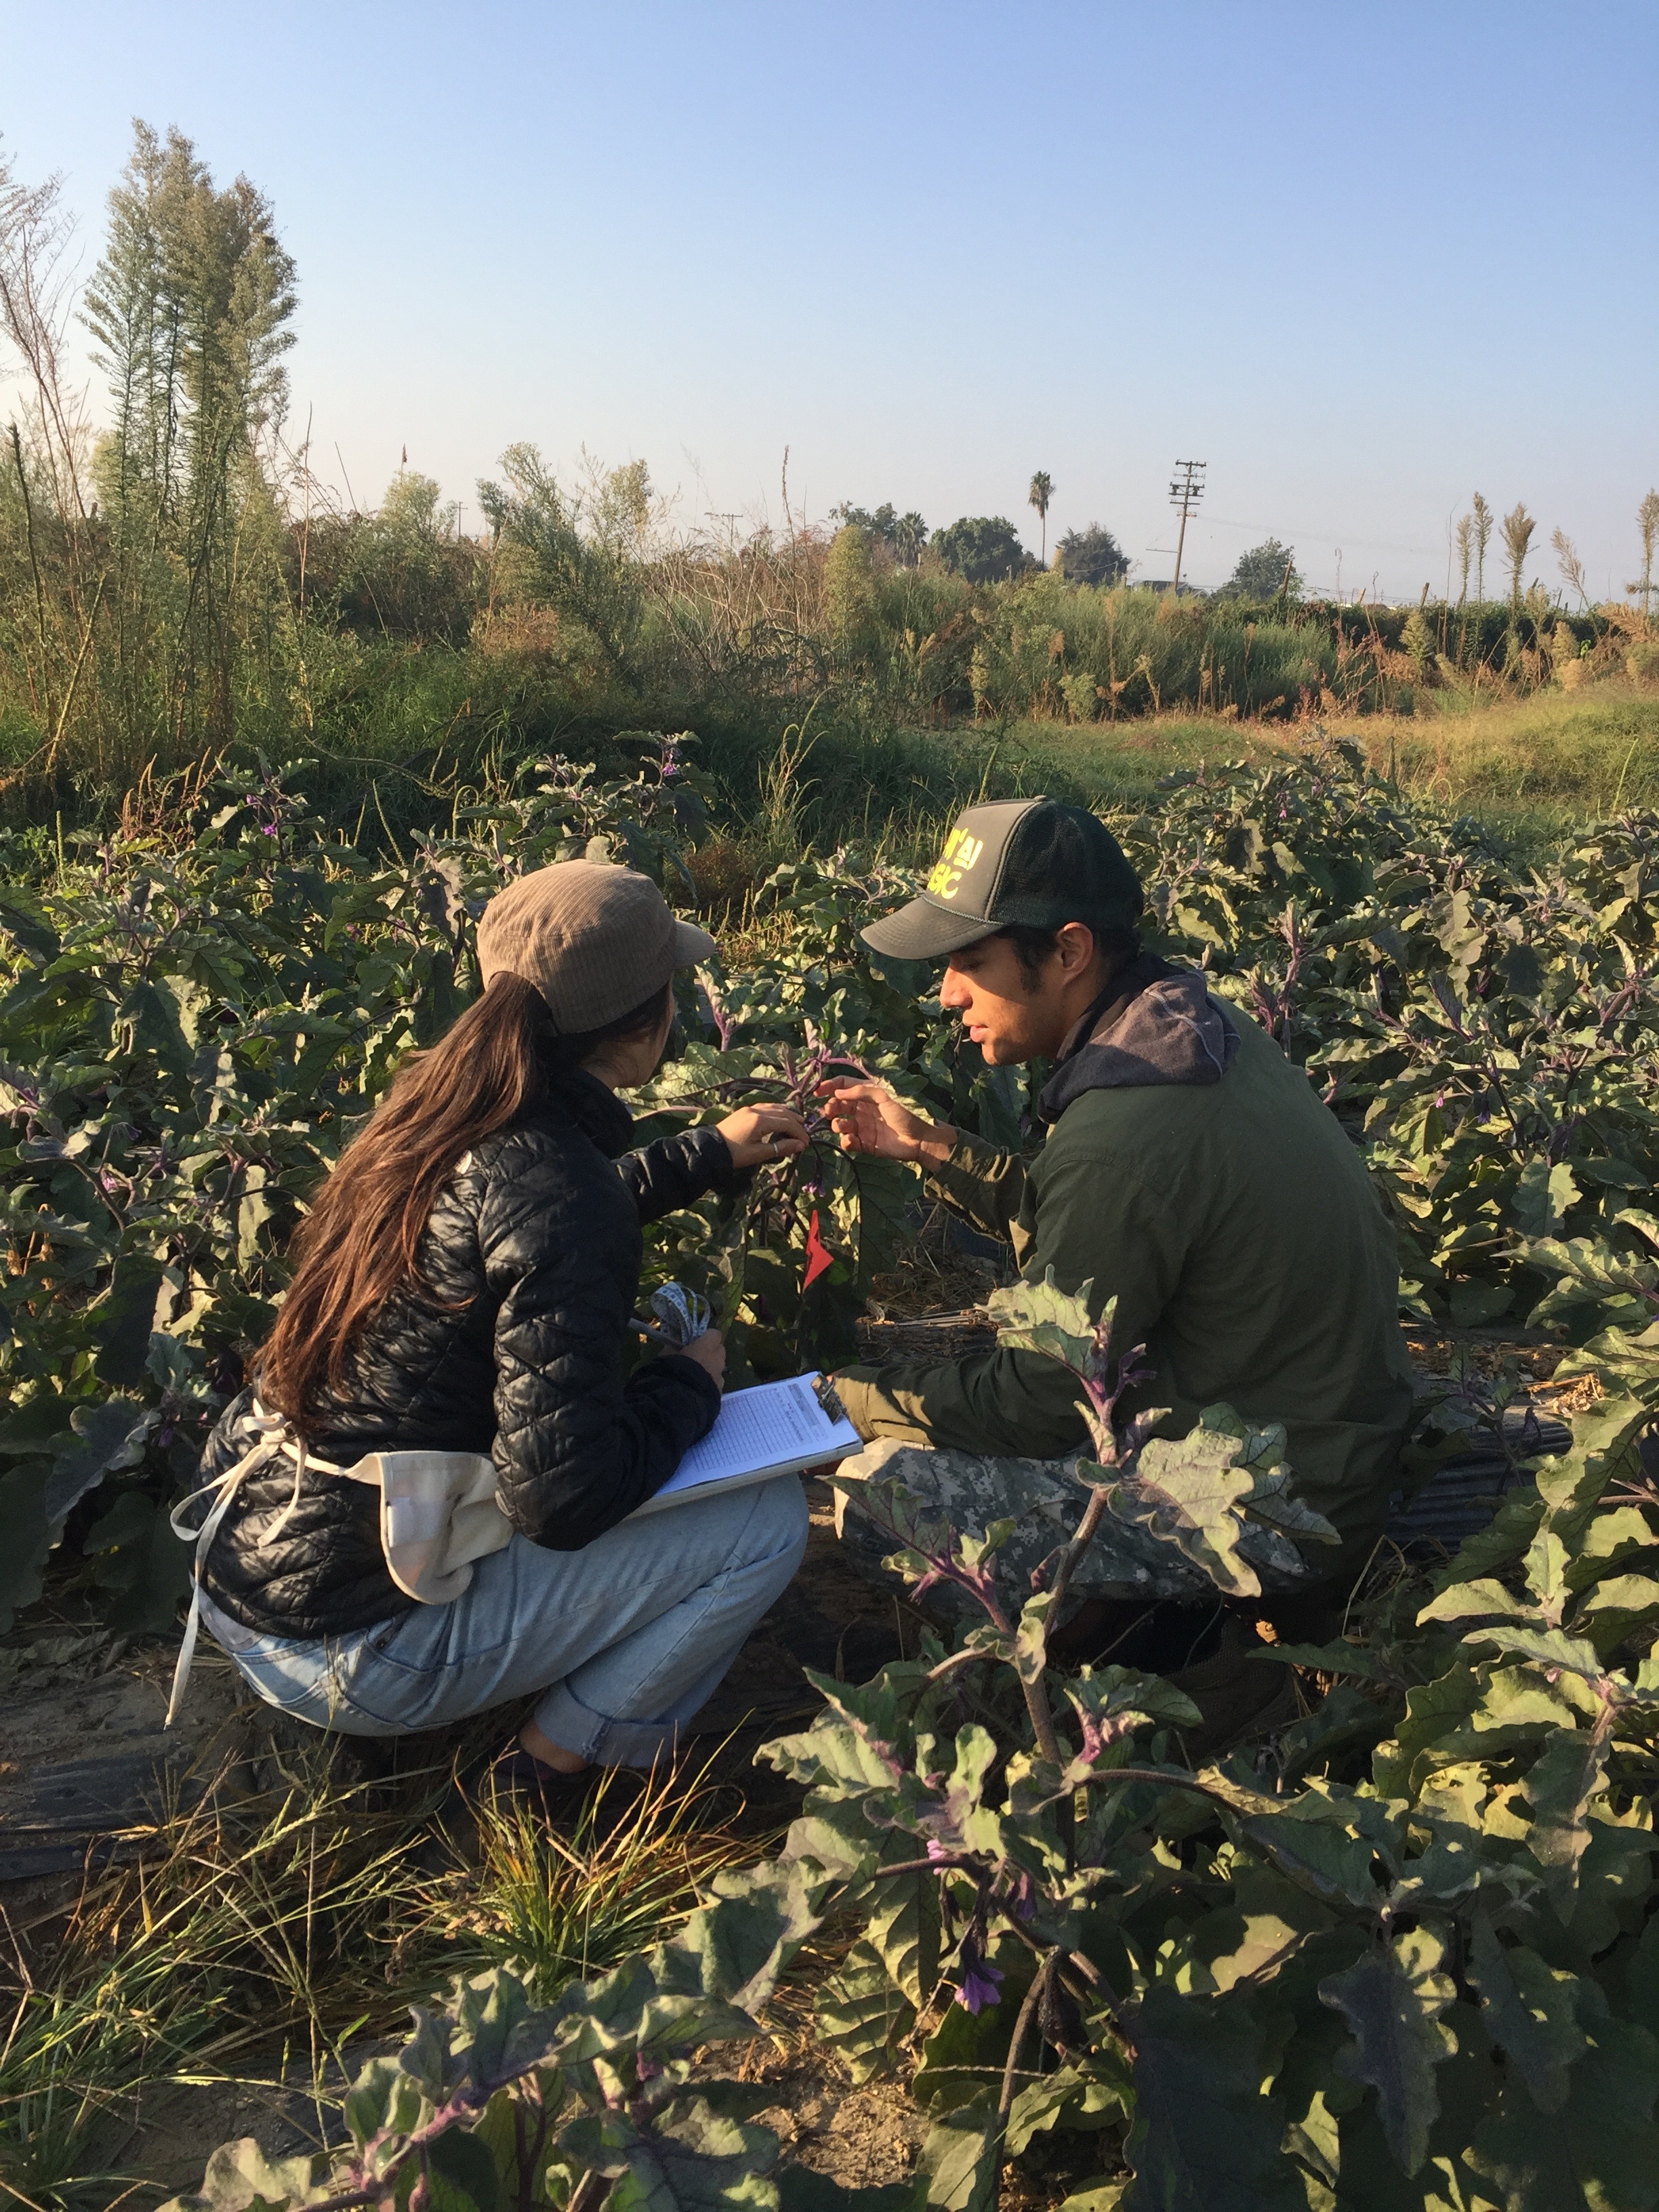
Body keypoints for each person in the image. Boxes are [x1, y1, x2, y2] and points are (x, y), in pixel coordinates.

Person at [180, 859, 811, 1790]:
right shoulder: (554, 1183)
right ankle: (545, 1775)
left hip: (250, 1568)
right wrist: (692, 1384)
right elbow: (562, 1502)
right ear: (649, 1020)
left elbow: (524, 1225)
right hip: (345, 1649)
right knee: (766, 1520)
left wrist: (706, 1154)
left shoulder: (432, 1112)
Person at [820, 796, 1415, 1735]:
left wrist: (836, 1401)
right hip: (1318, 1440)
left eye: (970, 964)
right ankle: (1128, 1625)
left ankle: (1147, 1673)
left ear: (1066, 952)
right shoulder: (1182, 1025)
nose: (946, 996)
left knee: (880, 1490)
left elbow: (1034, 1401)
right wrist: (931, 1146)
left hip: (1272, 1504)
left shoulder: (1124, 1135)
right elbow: (1104, 1211)